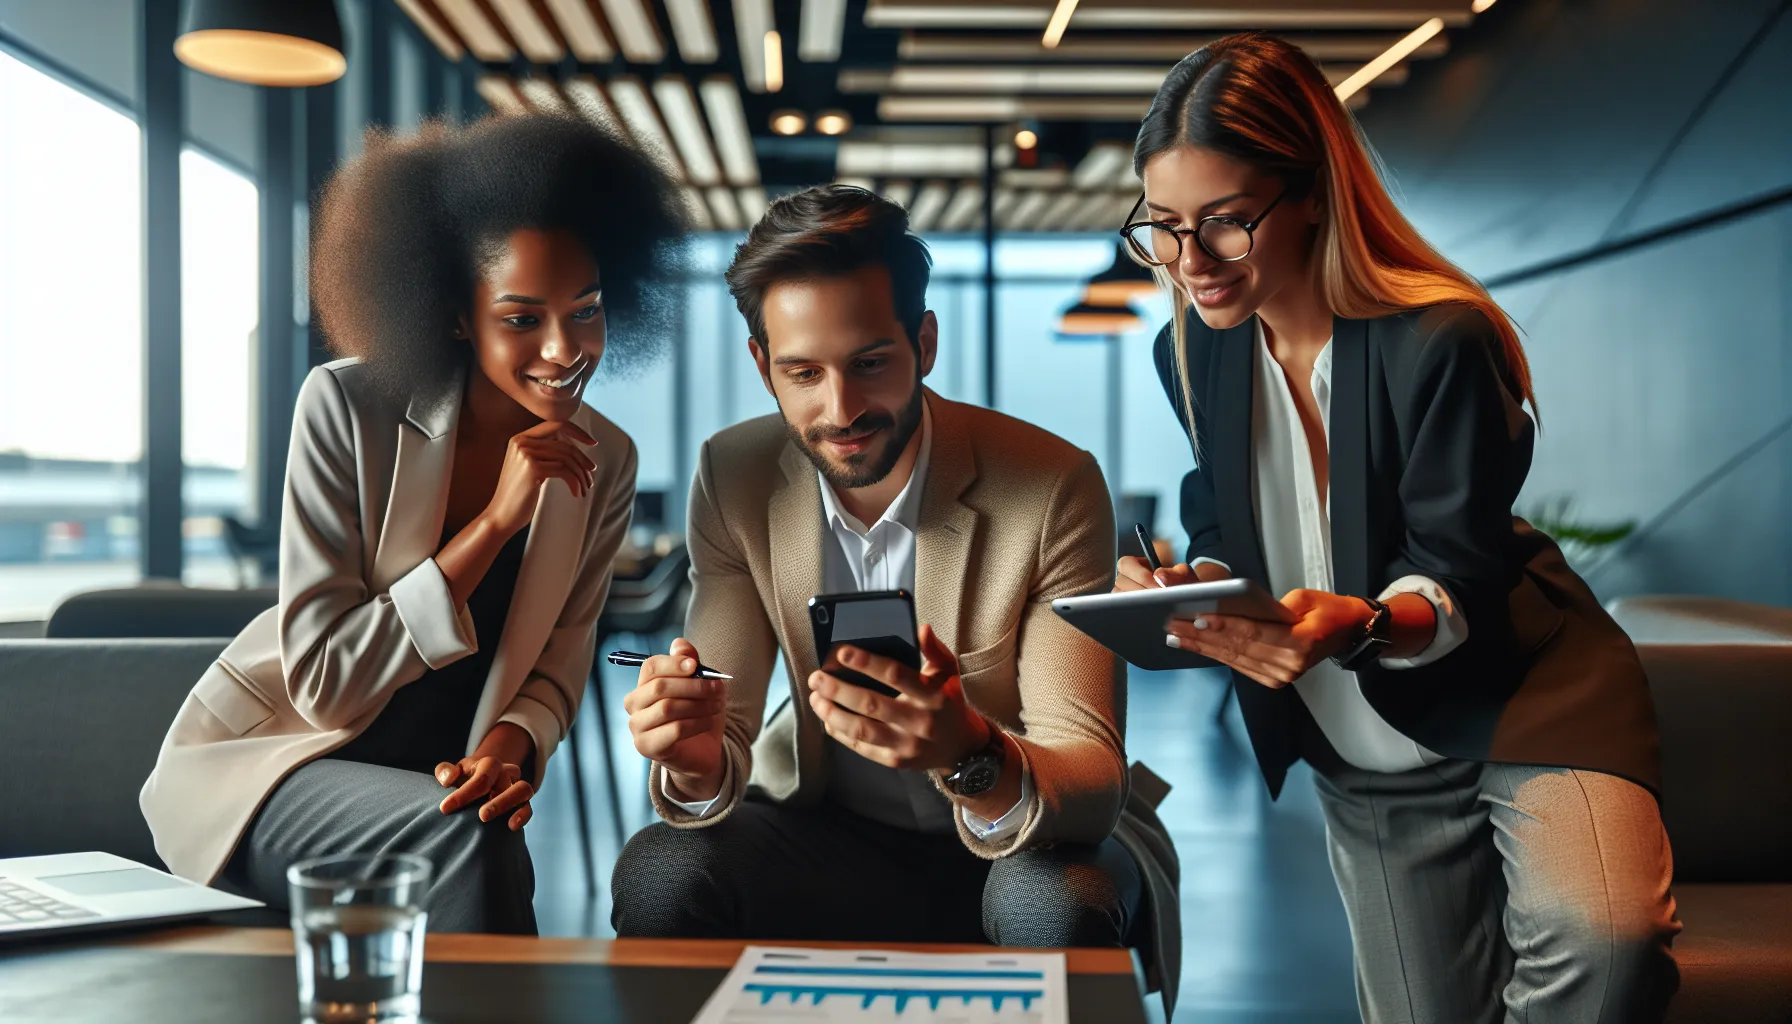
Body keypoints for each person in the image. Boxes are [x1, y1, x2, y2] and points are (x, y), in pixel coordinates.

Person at [1116, 33, 1678, 1023]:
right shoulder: (1191, 351)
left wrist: (1364, 622)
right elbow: (1227, 519)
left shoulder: (1437, 339)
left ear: (1311, 199)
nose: (1188, 262)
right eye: (1162, 227)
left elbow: (1455, 564)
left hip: (1523, 701)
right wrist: (1189, 586)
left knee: (1600, 936)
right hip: (1363, 747)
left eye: (1225, 224)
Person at [608, 185, 1183, 1005]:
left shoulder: (1052, 484)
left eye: (870, 363)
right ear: (761, 364)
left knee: (1054, 904)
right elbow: (722, 722)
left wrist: (968, 749)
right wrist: (699, 762)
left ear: (924, 342)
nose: (840, 410)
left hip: (1024, 836)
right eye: (803, 373)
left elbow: (1091, 771)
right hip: (829, 831)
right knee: (662, 872)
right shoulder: (733, 476)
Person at [139, 114, 687, 933]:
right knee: (469, 835)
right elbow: (327, 687)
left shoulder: (606, 456)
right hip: (283, 766)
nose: (564, 348)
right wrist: (495, 525)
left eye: (586, 310)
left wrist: (511, 746)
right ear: (457, 315)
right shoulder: (345, 407)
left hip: (440, 774)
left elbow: (561, 663)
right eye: (521, 318)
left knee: (481, 818)